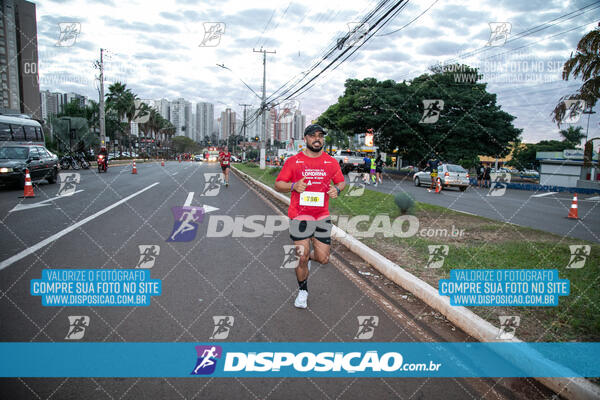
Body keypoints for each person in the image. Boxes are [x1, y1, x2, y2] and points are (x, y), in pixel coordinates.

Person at [275, 124, 346, 309]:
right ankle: (303, 291)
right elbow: (279, 183)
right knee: (302, 257)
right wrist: (293, 186)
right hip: (299, 216)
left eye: (320, 136)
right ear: (305, 139)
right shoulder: (294, 161)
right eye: (313, 136)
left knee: (323, 259)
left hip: (321, 216)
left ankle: (308, 259)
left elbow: (341, 182)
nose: (317, 139)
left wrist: (336, 189)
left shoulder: (331, 162)